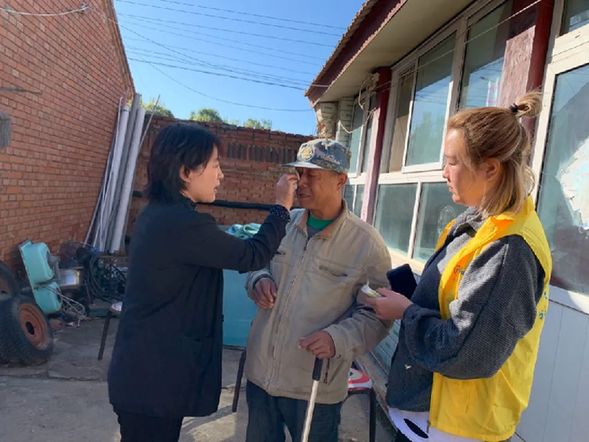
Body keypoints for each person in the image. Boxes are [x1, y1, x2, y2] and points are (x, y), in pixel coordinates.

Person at [365, 92, 552, 442]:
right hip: (428, 416)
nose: (443, 172)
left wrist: (406, 312)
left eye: (453, 162)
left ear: (490, 168)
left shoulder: (509, 249)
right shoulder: (476, 223)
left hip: (455, 428)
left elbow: (466, 353)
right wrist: (411, 297)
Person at [107, 123, 298, 442]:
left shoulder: (160, 214)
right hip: (151, 381)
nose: (220, 175)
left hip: (146, 373)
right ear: (186, 172)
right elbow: (252, 254)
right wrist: (281, 207)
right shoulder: (181, 224)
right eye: (215, 165)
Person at [244, 138, 392, 442]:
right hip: (261, 376)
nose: (301, 182)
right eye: (300, 173)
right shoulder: (283, 224)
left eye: (312, 174)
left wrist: (338, 338)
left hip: (314, 386)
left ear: (341, 180)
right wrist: (258, 279)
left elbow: (379, 314)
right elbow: (256, 263)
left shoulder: (366, 244)